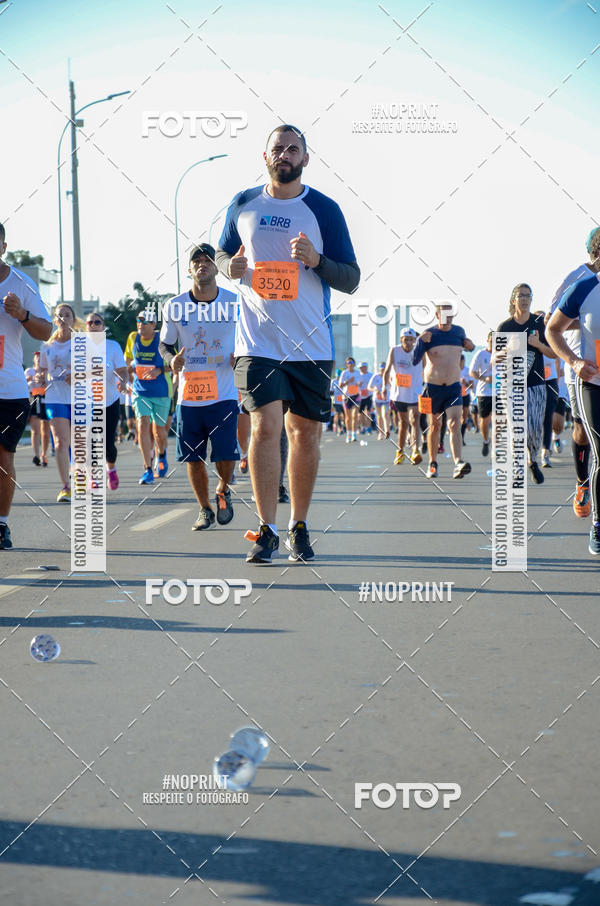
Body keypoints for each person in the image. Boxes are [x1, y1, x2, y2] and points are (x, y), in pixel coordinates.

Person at [216, 124, 360, 563]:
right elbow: (220, 254)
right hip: (257, 341)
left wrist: (317, 261)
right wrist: (230, 267)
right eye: (277, 148)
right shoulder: (242, 204)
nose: (285, 154)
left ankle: (298, 524)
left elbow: (351, 278)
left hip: (311, 345)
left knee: (305, 434)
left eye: (293, 149)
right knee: (264, 428)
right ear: (265, 156)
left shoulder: (324, 210)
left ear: (305, 159)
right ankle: (266, 529)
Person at [160, 245, 239, 530]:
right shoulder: (174, 305)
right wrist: (172, 361)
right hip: (190, 394)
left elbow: (249, 339)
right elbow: (165, 344)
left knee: (226, 453)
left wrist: (240, 357)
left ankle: (223, 490)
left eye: (208, 260)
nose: (203, 264)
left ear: (217, 268)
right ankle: (204, 508)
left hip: (225, 392)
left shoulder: (234, 303)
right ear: (189, 269)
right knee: (192, 457)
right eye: (197, 261)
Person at [0, 224, 52, 546]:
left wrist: (22, 314)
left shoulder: (21, 283)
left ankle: (1, 524)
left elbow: (45, 331)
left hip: (8, 390)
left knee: (3, 456)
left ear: (3, 246)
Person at [547, 229, 600, 516]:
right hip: (581, 365)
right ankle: (582, 482)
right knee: (581, 430)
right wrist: (587, 320)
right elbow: (550, 322)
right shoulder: (576, 279)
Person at [497, 286, 556, 485]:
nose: (524, 299)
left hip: (536, 385)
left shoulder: (539, 323)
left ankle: (533, 460)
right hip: (511, 386)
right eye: (520, 295)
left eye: (527, 296)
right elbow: (495, 358)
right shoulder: (504, 327)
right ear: (513, 299)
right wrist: (507, 349)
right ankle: (518, 470)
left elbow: (553, 353)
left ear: (531, 299)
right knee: (517, 428)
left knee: (534, 430)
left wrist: (538, 344)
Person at [412, 305, 474, 479]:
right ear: (437, 315)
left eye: (450, 314)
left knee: (455, 423)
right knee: (435, 426)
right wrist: (420, 341)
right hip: (433, 388)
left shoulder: (459, 332)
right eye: (444, 314)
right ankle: (432, 464)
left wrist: (471, 345)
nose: (447, 317)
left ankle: (458, 463)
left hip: (454, 387)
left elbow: (469, 346)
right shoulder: (430, 334)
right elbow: (415, 360)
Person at [39, 303, 85, 502]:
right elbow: (42, 370)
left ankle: (80, 482)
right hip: (55, 397)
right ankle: (66, 487)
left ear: (73, 320)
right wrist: (39, 378)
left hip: (79, 398)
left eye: (67, 315)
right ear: (54, 320)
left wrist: (78, 375)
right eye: (60, 315)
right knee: (60, 442)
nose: (64, 318)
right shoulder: (46, 346)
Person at [125, 313, 171, 485]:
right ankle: (147, 469)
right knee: (142, 424)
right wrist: (128, 378)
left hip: (161, 391)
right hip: (140, 391)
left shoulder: (162, 339)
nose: (141, 324)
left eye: (146, 321)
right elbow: (127, 361)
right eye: (139, 320)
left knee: (159, 431)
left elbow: (175, 363)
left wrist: (159, 370)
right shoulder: (132, 338)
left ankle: (162, 454)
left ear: (154, 324)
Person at [85, 312, 128, 489]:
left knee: (108, 443)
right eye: (90, 322)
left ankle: (111, 468)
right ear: (86, 327)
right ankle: (92, 477)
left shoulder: (112, 346)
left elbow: (122, 369)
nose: (94, 325)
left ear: (103, 327)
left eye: (98, 322)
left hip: (109, 400)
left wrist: (123, 381)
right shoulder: (79, 347)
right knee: (88, 441)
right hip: (87, 402)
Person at [383, 327, 422, 464]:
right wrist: (384, 387)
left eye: (411, 340)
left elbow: (428, 368)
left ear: (415, 340)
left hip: (415, 393)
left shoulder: (420, 351)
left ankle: (415, 450)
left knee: (414, 420)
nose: (408, 343)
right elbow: (387, 370)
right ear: (401, 340)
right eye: (406, 340)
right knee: (403, 423)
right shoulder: (395, 350)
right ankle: (400, 451)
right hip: (399, 393)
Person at [469, 332, 493, 457]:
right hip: (484, 392)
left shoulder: (504, 355)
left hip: (500, 392)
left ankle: (497, 444)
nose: (493, 343)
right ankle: (485, 440)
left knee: (500, 419)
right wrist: (484, 378)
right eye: (491, 340)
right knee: (484, 420)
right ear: (487, 340)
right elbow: (472, 372)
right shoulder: (480, 354)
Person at [25, 351, 50, 466]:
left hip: (46, 399)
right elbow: (24, 382)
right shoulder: (30, 371)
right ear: (34, 359)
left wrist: (44, 378)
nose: (39, 359)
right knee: (35, 431)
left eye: (41, 357)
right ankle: (36, 455)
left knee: (45, 431)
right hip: (34, 399)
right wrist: (31, 378)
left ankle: (44, 454)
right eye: (37, 357)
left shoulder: (48, 371)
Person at [339, 356, 361, 443]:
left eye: (351, 363)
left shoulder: (358, 373)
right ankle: (348, 434)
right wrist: (348, 381)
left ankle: (354, 435)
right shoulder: (344, 373)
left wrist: (359, 383)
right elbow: (340, 385)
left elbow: (359, 382)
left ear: (354, 364)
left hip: (356, 396)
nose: (350, 364)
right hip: (346, 397)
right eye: (348, 363)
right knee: (348, 417)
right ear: (346, 364)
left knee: (355, 415)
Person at [368, 362, 390, 440]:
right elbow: (369, 387)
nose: (382, 371)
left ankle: (387, 431)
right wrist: (375, 390)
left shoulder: (389, 376)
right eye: (381, 369)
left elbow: (393, 386)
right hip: (377, 399)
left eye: (384, 369)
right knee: (379, 416)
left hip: (386, 399)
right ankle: (380, 433)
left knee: (385, 415)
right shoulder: (376, 376)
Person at [357, 362, 374, 434]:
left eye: (363, 367)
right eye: (361, 367)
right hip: (360, 396)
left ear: (366, 367)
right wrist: (358, 384)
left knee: (368, 412)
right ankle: (363, 427)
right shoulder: (357, 375)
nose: (362, 369)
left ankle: (369, 427)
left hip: (369, 395)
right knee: (361, 413)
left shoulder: (371, 375)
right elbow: (354, 385)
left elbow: (374, 384)